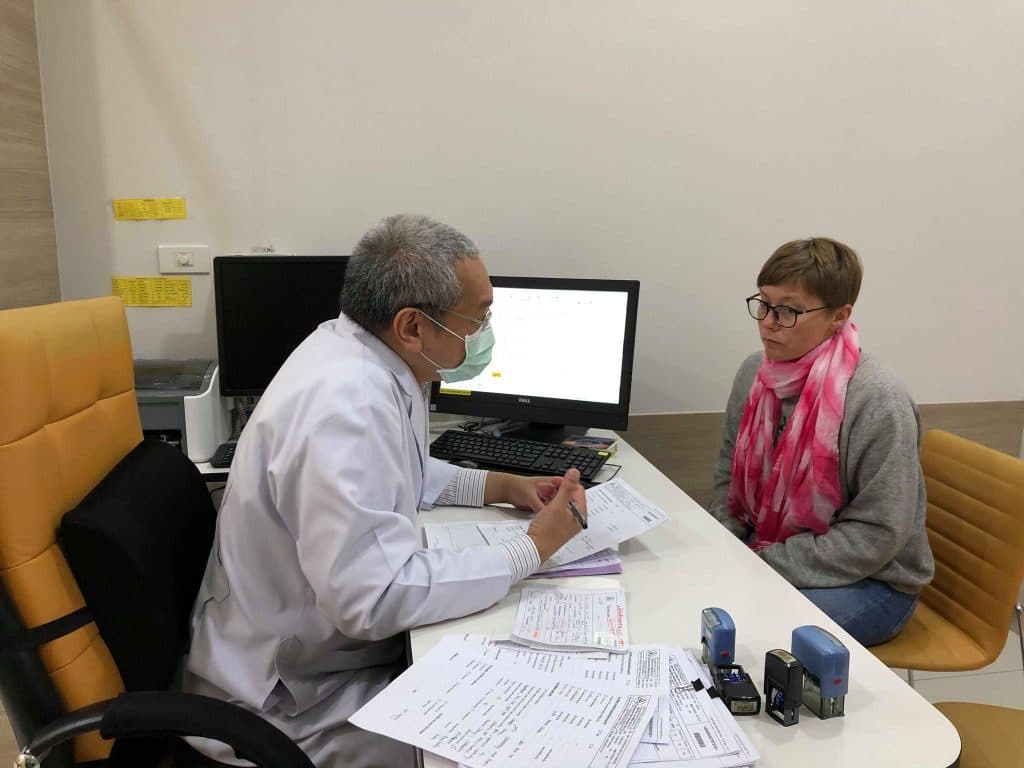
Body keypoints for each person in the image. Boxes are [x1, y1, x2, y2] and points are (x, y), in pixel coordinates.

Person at [184, 214, 587, 767]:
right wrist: (531, 548)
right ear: (412, 327)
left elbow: (396, 471)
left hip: (321, 657)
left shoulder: (360, 354)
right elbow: (373, 600)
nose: (485, 335)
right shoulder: (346, 404)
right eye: (479, 318)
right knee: (509, 740)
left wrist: (498, 484)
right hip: (283, 704)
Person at [708, 237, 934, 647]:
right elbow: (728, 468)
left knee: (748, 632)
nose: (768, 322)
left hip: (874, 583)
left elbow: (876, 536)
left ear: (839, 316)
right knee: (706, 606)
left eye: (789, 311)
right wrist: (729, 543)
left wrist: (759, 563)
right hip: (768, 556)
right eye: (763, 303)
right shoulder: (753, 373)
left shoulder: (878, 399)